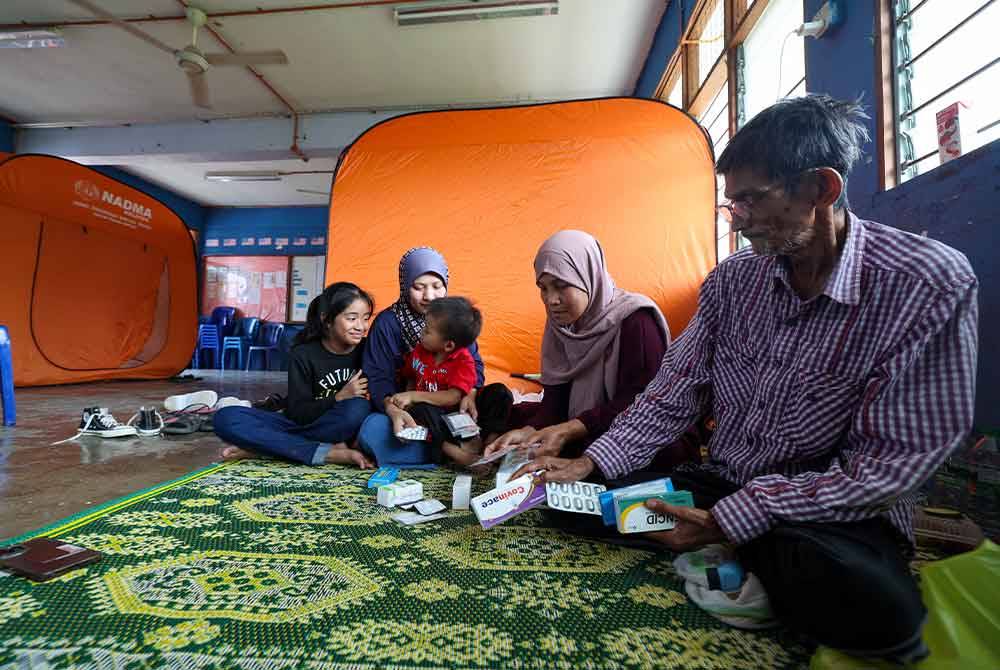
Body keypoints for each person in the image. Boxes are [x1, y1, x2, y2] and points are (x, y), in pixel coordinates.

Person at [513, 96, 978, 663]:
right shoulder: (733, 283)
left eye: (753, 201)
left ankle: (739, 547)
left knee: (875, 606)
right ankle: (743, 556)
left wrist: (733, 519)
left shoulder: (926, 285)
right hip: (723, 479)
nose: (740, 220)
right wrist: (593, 462)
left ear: (821, 190)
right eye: (731, 204)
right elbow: (668, 396)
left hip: (825, 510)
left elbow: (891, 465)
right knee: (570, 501)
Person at [485, 230, 671, 459]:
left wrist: (570, 429)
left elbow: (644, 405)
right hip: (584, 424)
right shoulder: (562, 325)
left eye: (561, 285)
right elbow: (556, 401)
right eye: (543, 288)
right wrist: (529, 432)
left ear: (588, 276)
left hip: (632, 433)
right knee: (508, 415)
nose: (551, 300)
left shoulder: (636, 321)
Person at [213, 282, 376, 468]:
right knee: (225, 418)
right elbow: (299, 414)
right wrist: (338, 397)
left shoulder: (368, 349)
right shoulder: (303, 354)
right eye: (352, 318)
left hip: (341, 426)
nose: (361, 327)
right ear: (327, 320)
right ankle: (329, 453)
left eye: (365, 318)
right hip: (300, 424)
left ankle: (266, 449)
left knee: (358, 408)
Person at [358, 247, 485, 465]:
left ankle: (483, 445)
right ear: (405, 286)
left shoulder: (457, 318)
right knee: (373, 429)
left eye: (437, 286)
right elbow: (379, 378)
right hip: (410, 410)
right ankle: (451, 451)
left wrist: (469, 394)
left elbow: (475, 367)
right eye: (418, 287)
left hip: (456, 405)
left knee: (499, 398)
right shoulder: (387, 323)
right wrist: (392, 409)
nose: (429, 296)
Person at [388, 296, 484, 466]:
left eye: (427, 331)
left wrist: (413, 395)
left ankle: (485, 445)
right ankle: (454, 452)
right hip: (430, 417)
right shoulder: (420, 351)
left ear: (448, 345)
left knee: (500, 393)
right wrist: (406, 398)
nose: (421, 332)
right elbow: (411, 375)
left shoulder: (464, 361)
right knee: (424, 411)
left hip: (455, 417)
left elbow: (453, 397)